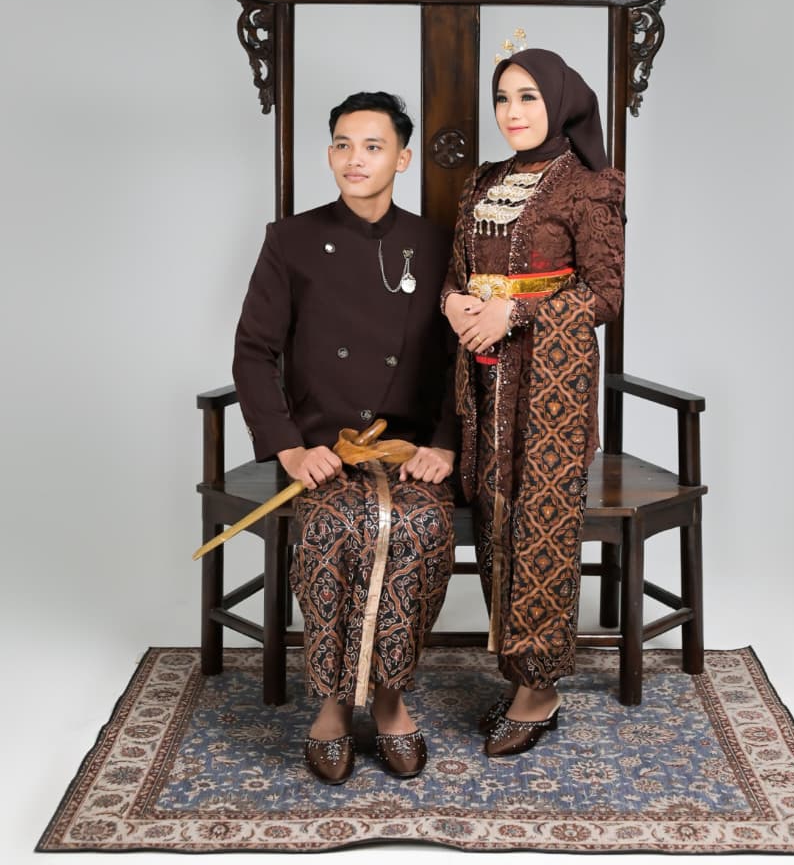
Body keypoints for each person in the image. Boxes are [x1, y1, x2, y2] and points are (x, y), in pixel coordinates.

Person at [233, 92, 457, 785]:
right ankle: (332, 703)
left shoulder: (437, 244)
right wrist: (290, 448)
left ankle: (389, 699)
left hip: (406, 451)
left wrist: (445, 444)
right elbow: (253, 352)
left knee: (418, 527)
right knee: (333, 529)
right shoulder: (290, 239)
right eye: (341, 144)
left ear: (402, 159)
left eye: (372, 146)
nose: (354, 159)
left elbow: (462, 360)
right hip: (323, 451)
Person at [442, 48, 624, 757]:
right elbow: (456, 274)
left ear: (560, 102)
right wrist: (454, 302)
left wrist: (514, 314)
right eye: (502, 98)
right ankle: (515, 671)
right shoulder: (482, 181)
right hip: (484, 378)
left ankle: (539, 687)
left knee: (539, 523)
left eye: (527, 97)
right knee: (494, 515)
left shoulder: (589, 184)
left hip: (551, 383)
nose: (512, 112)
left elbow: (604, 294)